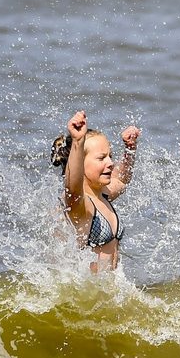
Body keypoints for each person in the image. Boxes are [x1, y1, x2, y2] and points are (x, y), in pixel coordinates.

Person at [51, 111, 140, 272]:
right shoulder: (79, 205)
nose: (111, 163)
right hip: (86, 296)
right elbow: (73, 187)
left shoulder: (102, 193)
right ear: (80, 164)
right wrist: (78, 141)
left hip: (107, 293)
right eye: (101, 158)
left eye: (110, 156)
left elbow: (122, 179)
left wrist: (129, 150)